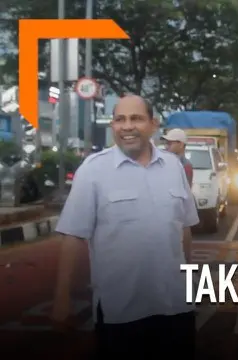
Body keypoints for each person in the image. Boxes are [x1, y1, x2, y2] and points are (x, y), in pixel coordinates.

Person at [51, 95, 199, 359]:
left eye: (136, 119)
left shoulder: (173, 167)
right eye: (120, 119)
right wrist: (62, 298)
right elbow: (73, 235)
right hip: (120, 312)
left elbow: (185, 228)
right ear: (113, 126)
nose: (127, 126)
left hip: (175, 306)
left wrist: (188, 281)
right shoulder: (93, 170)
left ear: (153, 124)